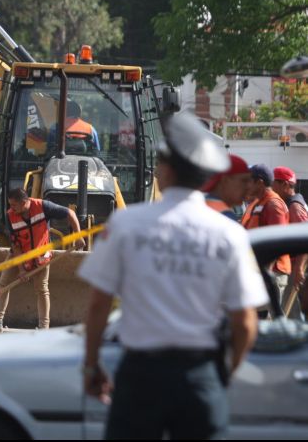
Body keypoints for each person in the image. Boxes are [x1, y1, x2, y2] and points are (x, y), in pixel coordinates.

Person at [79, 110, 267, 440]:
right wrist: (222, 375)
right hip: (200, 376)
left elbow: (97, 306)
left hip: (140, 377)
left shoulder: (125, 224)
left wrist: (92, 365)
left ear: (165, 171)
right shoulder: (228, 234)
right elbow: (245, 324)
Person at [0, 188, 84, 332]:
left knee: (42, 289)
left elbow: (71, 213)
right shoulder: (10, 216)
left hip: (40, 256)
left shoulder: (43, 206)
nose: (11, 208)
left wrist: (78, 235)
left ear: (24, 202)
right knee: (3, 284)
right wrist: (22, 269)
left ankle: (44, 327)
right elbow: (15, 244)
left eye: (13, 205)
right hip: (18, 254)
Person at [241, 164, 291, 309]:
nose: (246, 185)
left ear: (260, 182)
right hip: (259, 271)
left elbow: (278, 241)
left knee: (268, 322)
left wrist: (265, 275)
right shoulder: (258, 202)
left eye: (248, 180)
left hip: (272, 273)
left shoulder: (273, 204)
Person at [271, 166, 307, 318]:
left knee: (291, 309)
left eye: (273, 183)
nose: (271, 187)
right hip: (295, 264)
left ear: (285, 184)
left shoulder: (294, 206)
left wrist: (299, 269)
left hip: (296, 265)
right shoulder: (293, 203)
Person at [201, 154, 251, 221]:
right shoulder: (225, 217)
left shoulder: (199, 206)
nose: (248, 187)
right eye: (244, 181)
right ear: (225, 180)